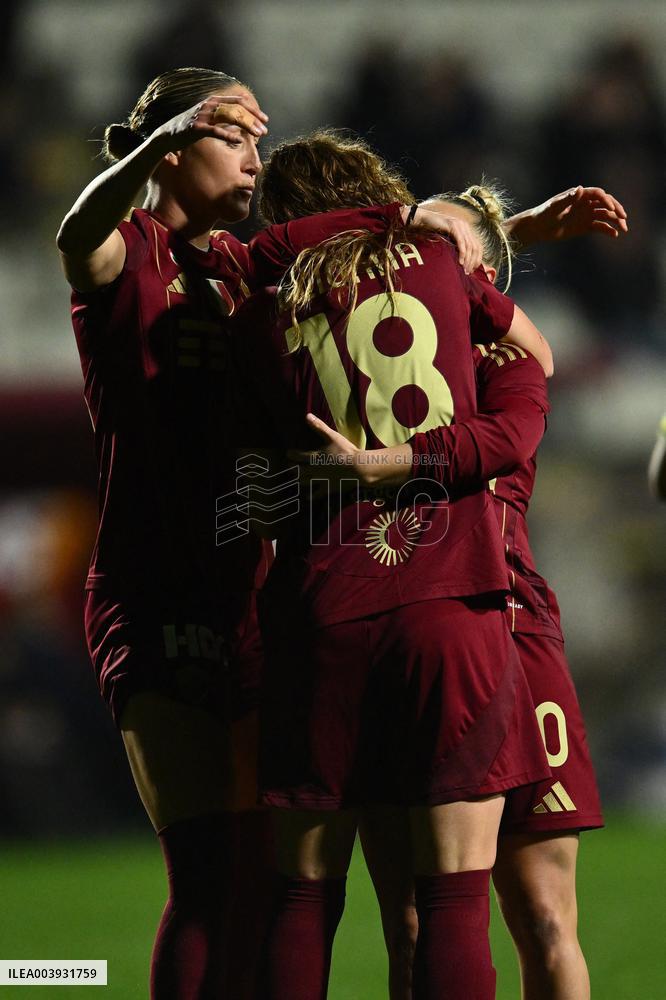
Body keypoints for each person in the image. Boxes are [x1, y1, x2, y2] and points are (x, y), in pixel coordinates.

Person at [55, 66, 494, 1000]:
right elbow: (74, 230)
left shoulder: (253, 266)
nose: (258, 158)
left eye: (260, 138)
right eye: (234, 136)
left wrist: (510, 228)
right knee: (211, 873)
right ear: (172, 146)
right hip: (156, 583)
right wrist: (154, 136)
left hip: (258, 591)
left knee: (270, 876)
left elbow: (391, 255)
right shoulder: (123, 251)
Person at [231, 131, 561, 1000]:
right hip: (451, 598)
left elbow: (258, 446)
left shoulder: (262, 308)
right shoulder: (442, 267)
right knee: (453, 896)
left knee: (301, 898)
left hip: (321, 602)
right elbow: (534, 354)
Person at [293, 184, 608, 1000]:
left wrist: (500, 239)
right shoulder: (372, 356)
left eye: (440, 246)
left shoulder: (503, 356)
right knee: (411, 915)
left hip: (511, 624)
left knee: (541, 913)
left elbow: (525, 384)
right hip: (408, 628)